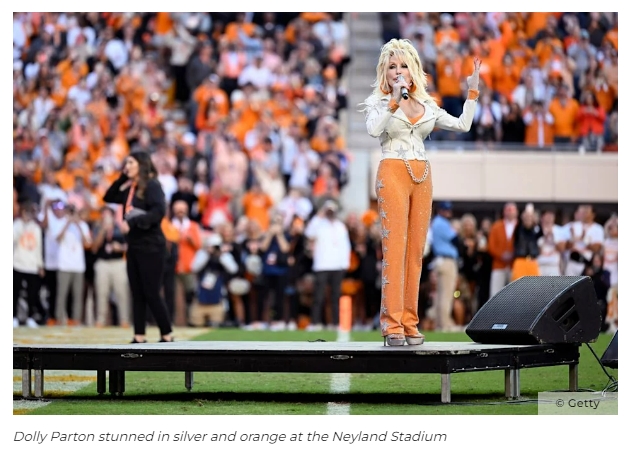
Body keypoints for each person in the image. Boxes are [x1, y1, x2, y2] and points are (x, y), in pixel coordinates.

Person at [360, 38, 480, 346]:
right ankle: (391, 325)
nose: (398, 72)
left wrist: (472, 91)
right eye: (392, 67)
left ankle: (410, 322)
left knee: (415, 253)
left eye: (403, 66)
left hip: (422, 173)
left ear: (413, 71)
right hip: (393, 170)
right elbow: (374, 129)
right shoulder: (378, 101)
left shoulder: (427, 106)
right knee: (395, 251)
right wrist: (394, 100)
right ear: (384, 72)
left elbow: (463, 125)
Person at [103, 151, 174, 343]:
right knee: (137, 292)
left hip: (151, 245)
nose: (127, 166)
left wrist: (134, 222)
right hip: (134, 246)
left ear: (141, 165)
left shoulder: (152, 185)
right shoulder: (131, 189)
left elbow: (159, 212)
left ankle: (166, 333)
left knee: (151, 291)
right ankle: (139, 335)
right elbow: (108, 196)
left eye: (131, 163)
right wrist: (122, 177)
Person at [429, 201, 460, 332]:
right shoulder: (442, 223)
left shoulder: (436, 222)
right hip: (447, 260)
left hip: (440, 260)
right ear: (440, 210)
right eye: (445, 210)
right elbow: (455, 239)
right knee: (446, 294)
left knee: (441, 293)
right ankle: (445, 324)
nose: (448, 212)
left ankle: (440, 323)